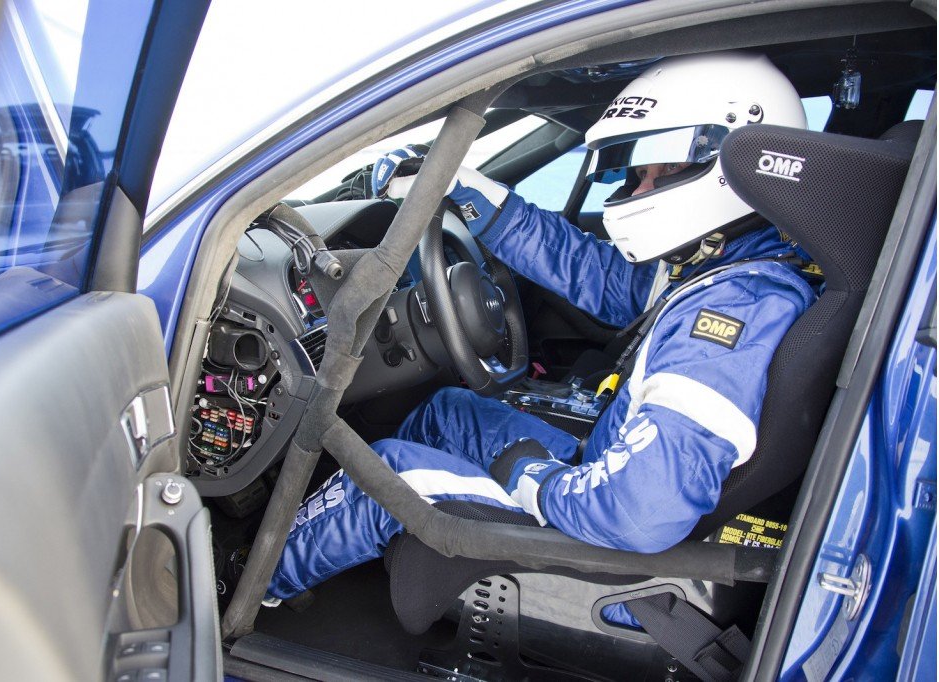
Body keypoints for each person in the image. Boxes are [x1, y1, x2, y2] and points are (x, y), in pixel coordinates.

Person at [267, 51, 817, 601]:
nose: (639, 192)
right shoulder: (728, 269)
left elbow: (639, 513)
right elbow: (595, 274)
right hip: (604, 470)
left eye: (665, 170)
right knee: (447, 412)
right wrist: (466, 189)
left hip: (602, 530)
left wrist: (534, 478)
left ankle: (249, 587)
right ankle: (349, 542)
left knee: (383, 473)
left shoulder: (734, 310)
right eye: (638, 174)